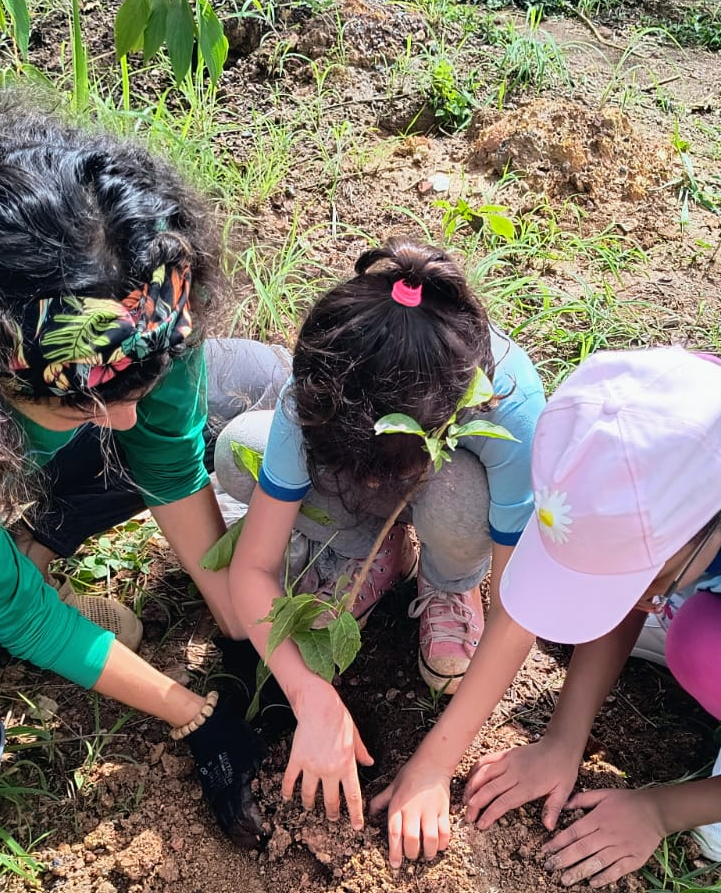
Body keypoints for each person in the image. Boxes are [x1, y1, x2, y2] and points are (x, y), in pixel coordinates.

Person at [0, 94, 287, 846]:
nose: (122, 422)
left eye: (134, 389)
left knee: (262, 383)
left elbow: (166, 459)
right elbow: (19, 610)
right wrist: (194, 713)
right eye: (84, 405)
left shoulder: (142, 296)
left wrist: (242, 633)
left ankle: (29, 544)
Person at [217, 238, 545, 837]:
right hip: (371, 485)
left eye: (377, 468)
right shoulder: (321, 388)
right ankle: (370, 555)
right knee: (242, 446)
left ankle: (448, 584)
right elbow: (252, 569)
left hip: (452, 493)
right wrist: (310, 696)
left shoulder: (510, 407)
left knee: (457, 497)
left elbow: (519, 612)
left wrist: (432, 766)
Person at [461, 347, 721, 885]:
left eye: (646, 581)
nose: (629, 597)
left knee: (708, 652)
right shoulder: (669, 421)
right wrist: (563, 740)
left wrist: (661, 810)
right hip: (716, 563)